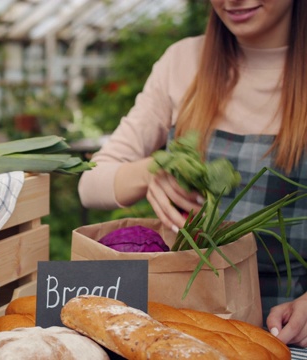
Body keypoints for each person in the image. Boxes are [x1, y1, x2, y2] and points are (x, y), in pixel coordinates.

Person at [77, 0, 307, 346]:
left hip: (284, 325)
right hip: (180, 321)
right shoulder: (182, 62)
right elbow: (89, 183)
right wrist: (151, 171)